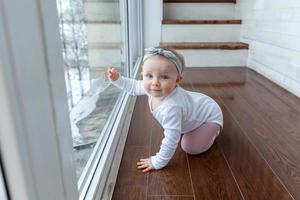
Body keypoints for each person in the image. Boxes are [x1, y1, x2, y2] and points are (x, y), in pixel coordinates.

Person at [107, 47, 223, 172]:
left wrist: (158, 161)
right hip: (197, 106)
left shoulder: (172, 107)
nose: (155, 82)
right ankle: (192, 127)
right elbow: (134, 87)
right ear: (143, 75)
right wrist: (117, 79)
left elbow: (171, 139)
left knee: (189, 147)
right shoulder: (151, 88)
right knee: (178, 128)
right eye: (149, 75)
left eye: (164, 77)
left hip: (209, 117)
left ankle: (212, 133)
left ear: (177, 80)